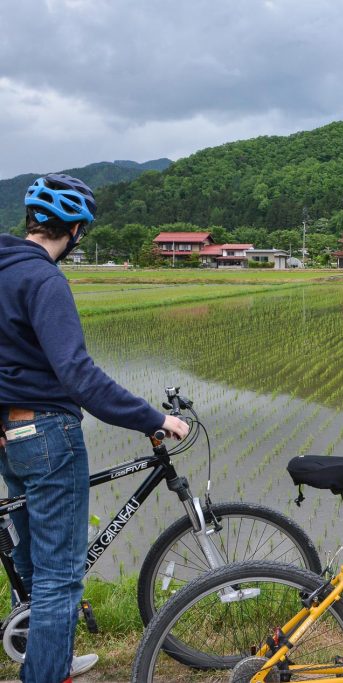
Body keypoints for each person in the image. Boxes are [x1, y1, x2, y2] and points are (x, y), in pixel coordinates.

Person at [0, 174, 189, 683]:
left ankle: (49, 658)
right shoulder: (44, 280)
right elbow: (78, 374)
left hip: (11, 436)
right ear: (77, 229)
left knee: (37, 559)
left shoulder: (4, 268)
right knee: (62, 573)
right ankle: (46, 677)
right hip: (48, 435)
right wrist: (156, 418)